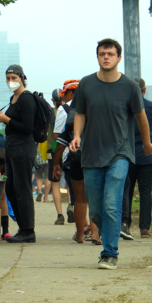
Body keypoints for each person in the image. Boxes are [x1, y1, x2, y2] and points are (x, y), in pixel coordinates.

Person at [70, 38, 152, 270]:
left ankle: (109, 253)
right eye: (102, 54)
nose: (106, 57)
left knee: (111, 204)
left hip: (120, 153)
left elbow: (141, 117)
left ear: (119, 58)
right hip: (91, 154)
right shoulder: (86, 84)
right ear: (97, 57)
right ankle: (108, 235)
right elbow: (80, 113)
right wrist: (76, 135)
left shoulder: (130, 86)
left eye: (110, 54)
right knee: (97, 210)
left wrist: (146, 143)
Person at [0, 64, 36, 243]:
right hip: (11, 147)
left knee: (22, 188)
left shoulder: (26, 98)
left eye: (14, 78)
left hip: (23, 147)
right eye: (8, 78)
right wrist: (3, 117)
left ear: (22, 78)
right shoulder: (13, 98)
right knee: (11, 188)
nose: (10, 81)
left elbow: (28, 127)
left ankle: (28, 230)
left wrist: (6, 119)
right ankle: (22, 227)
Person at [54, 102, 100, 245]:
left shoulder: (72, 123)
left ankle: (80, 235)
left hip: (77, 161)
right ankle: (95, 234)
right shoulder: (98, 121)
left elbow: (60, 145)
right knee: (95, 199)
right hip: (96, 162)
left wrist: (55, 163)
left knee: (80, 200)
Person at [121, 77, 152, 240]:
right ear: (144, 91)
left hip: (128, 155)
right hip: (147, 156)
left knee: (126, 191)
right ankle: (144, 228)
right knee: (145, 192)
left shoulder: (124, 107)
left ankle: (125, 224)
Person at [53, 80, 80, 224]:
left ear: (70, 93)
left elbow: (57, 136)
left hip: (71, 156)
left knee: (76, 191)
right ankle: (93, 228)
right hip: (92, 156)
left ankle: (81, 227)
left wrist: (55, 162)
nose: (63, 97)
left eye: (65, 94)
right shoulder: (91, 105)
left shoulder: (63, 109)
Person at [48, 88, 65, 216]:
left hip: (53, 152)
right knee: (72, 182)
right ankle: (71, 205)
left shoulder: (49, 114)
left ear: (52, 100)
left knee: (55, 183)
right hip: (69, 150)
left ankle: (60, 214)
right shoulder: (69, 111)